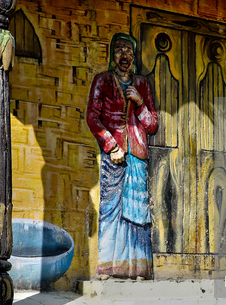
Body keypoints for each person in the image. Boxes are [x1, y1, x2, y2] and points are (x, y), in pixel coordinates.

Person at [86, 32, 158, 279]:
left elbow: (152, 125)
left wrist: (140, 103)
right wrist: (111, 145)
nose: (124, 55)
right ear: (112, 54)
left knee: (137, 212)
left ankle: (138, 268)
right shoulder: (102, 81)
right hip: (113, 154)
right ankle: (108, 267)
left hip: (137, 154)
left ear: (134, 56)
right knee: (110, 208)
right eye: (119, 50)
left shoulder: (142, 85)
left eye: (129, 51)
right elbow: (92, 118)